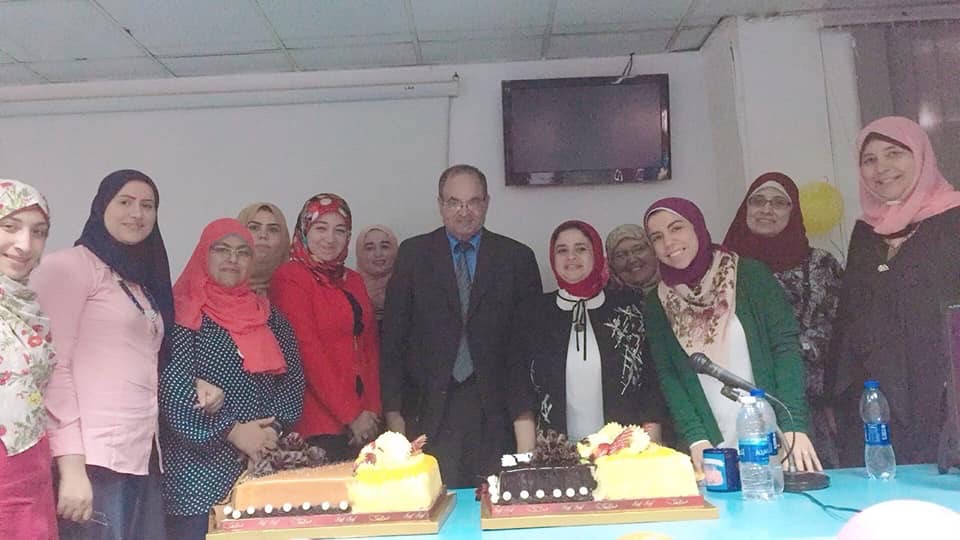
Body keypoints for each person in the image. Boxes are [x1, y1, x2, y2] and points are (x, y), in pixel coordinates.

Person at [380, 164, 542, 487]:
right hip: (428, 410)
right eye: (454, 202)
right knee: (434, 502)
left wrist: (525, 422)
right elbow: (393, 339)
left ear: (487, 203)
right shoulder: (413, 255)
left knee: (494, 502)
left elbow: (527, 348)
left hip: (497, 411)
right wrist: (394, 415)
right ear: (440, 205)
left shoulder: (517, 258)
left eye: (473, 202)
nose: (464, 211)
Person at [33, 170, 174, 539]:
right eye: (125, 202)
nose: (137, 214)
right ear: (101, 207)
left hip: (140, 455)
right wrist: (72, 467)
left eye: (148, 206)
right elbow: (52, 368)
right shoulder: (70, 267)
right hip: (92, 462)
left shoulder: (140, 280)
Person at [642, 197, 820, 474]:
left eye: (676, 228)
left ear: (697, 227)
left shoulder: (750, 276)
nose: (668, 242)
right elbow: (669, 376)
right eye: (657, 237)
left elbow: (785, 350)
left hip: (774, 436)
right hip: (712, 448)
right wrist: (696, 437)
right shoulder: (658, 301)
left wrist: (793, 424)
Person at [160, 218, 304, 540]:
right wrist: (234, 431)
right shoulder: (182, 314)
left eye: (242, 252)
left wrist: (270, 433)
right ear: (203, 254)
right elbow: (173, 388)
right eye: (221, 250)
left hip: (260, 468)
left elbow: (292, 381)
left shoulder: (270, 317)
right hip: (198, 478)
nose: (232, 259)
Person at [831, 116, 960, 466]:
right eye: (869, 159)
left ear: (920, 156)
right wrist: (835, 395)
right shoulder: (866, 232)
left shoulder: (953, 219)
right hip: (874, 399)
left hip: (940, 394)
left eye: (894, 153)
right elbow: (849, 315)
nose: (881, 168)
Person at [723, 172, 843, 468]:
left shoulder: (820, 264)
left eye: (779, 203)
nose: (767, 209)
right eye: (758, 201)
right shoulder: (723, 266)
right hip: (738, 404)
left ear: (794, 211)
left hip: (805, 404)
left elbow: (836, 335)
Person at [514, 220, 666, 447]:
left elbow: (650, 386)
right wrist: (526, 454)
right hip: (555, 452)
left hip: (624, 452)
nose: (571, 257)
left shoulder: (630, 308)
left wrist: (651, 448)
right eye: (562, 250)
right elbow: (520, 390)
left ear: (596, 254)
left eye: (581, 249)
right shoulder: (533, 313)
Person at [270, 194, 381, 462]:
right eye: (321, 228)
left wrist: (371, 413)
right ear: (305, 230)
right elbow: (307, 353)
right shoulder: (290, 278)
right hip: (318, 425)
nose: (330, 238)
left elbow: (369, 347)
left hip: (363, 424)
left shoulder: (353, 280)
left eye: (340, 230)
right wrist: (351, 415)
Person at [0, 180, 57, 540]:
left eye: (38, 232)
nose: (25, 244)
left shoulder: (27, 307)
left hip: (31, 470)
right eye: (9, 226)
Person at [237, 202, 290, 295]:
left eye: (273, 230)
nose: (263, 235)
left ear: (283, 239)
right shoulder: (217, 285)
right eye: (254, 228)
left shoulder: (295, 286)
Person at [354, 225, 398, 328]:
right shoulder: (349, 287)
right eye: (370, 248)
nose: (378, 254)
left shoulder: (409, 286)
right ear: (360, 253)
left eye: (385, 247)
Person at [605, 224, 660, 303]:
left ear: (654, 251)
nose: (632, 260)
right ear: (612, 264)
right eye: (620, 255)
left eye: (638, 249)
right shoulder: (604, 303)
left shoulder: (678, 285)